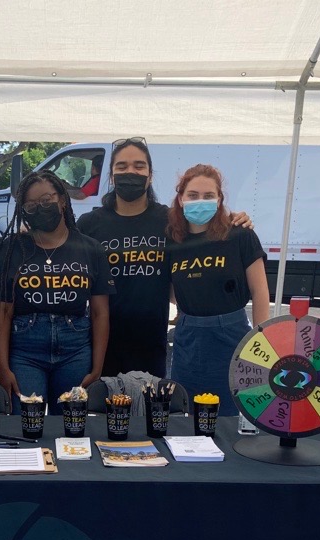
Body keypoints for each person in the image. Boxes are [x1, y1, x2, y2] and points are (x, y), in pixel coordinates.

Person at [77, 138, 253, 377]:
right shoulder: (89, 224)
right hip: (103, 342)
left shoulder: (169, 220)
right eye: (122, 167)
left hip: (152, 343)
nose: (131, 172)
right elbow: (61, 252)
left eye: (139, 166)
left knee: (150, 413)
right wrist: (33, 235)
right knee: (107, 412)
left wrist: (236, 218)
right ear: (111, 176)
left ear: (150, 175)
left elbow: (208, 230)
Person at [0, 170, 114, 413]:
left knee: (72, 426)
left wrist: (98, 367)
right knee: (27, 424)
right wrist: (3, 368)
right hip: (25, 352)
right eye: (31, 204)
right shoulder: (12, 249)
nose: (40, 208)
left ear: (61, 199)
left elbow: (100, 314)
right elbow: (2, 311)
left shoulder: (91, 249)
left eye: (46, 200)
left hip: (76, 351)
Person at [167, 163, 270, 416]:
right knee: (184, 416)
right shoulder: (172, 242)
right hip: (188, 338)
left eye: (208, 196)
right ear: (181, 199)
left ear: (219, 199)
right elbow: (171, 291)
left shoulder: (240, 235)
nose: (200, 201)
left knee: (231, 416)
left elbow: (260, 293)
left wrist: (261, 345)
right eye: (192, 195)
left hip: (231, 335)